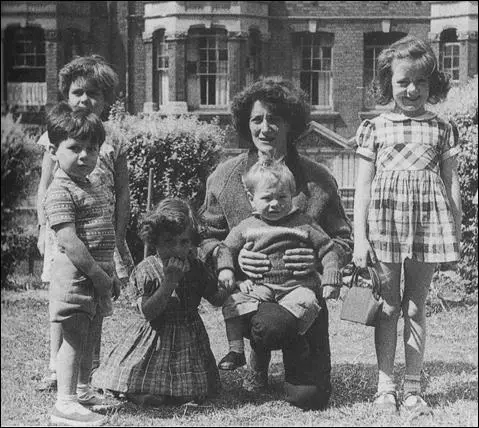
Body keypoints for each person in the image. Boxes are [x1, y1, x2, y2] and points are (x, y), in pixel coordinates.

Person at [199, 76, 353, 410]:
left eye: (275, 119)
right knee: (270, 326)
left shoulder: (318, 178)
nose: (265, 128)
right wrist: (233, 264)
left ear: (290, 124)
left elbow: (342, 240)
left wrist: (317, 262)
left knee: (309, 398)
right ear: (246, 123)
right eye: (257, 119)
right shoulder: (224, 177)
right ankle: (257, 360)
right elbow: (204, 239)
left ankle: (298, 361)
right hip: (257, 295)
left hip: (303, 293)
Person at [353, 36, 462, 414]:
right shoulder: (374, 127)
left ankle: (413, 387)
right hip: (384, 224)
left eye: (420, 82)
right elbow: (363, 188)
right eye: (403, 82)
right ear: (388, 84)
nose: (412, 89)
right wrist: (358, 239)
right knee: (388, 305)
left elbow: (451, 184)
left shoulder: (443, 127)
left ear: (432, 84)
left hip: (428, 226)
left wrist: (457, 229)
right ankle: (385, 385)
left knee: (416, 306)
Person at [35, 55, 134, 392]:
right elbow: (44, 184)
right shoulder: (59, 135)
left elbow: (123, 191)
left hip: (100, 232)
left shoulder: (112, 138)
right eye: (77, 92)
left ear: (107, 99)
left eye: (93, 93)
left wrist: (120, 236)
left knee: (94, 300)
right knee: (64, 300)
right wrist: (40, 228)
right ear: (67, 95)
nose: (84, 100)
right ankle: (56, 366)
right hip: (65, 227)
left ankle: (86, 372)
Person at [91, 198, 228, 407]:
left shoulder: (196, 267)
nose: (178, 249)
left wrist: (227, 289)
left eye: (184, 242)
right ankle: (139, 395)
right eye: (169, 242)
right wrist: (169, 282)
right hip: (154, 337)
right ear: (154, 241)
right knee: (138, 378)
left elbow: (215, 298)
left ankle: (170, 395)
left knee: (191, 391)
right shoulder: (148, 269)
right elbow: (148, 312)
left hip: (188, 338)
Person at [216, 159, 343, 371]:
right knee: (233, 302)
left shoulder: (303, 223)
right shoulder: (247, 226)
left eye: (282, 197)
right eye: (267, 198)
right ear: (251, 199)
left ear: (292, 195)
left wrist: (330, 278)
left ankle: (298, 338)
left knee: (309, 303)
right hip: (261, 287)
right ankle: (236, 350)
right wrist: (228, 270)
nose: (275, 204)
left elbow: (328, 249)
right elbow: (225, 248)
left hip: (295, 286)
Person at [43, 103, 122, 426]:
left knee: (90, 335)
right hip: (76, 278)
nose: (85, 156)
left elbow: (104, 235)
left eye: (92, 149)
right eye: (74, 148)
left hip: (96, 275)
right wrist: (97, 276)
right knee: (74, 337)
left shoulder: (89, 185)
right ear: (52, 150)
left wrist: (110, 273)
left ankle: (83, 390)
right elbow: (69, 242)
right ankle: (65, 403)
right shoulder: (59, 190)